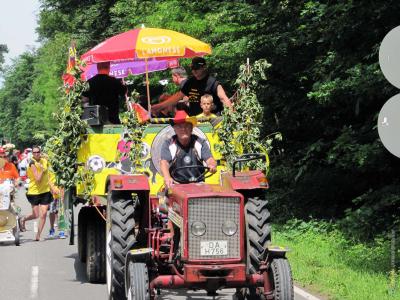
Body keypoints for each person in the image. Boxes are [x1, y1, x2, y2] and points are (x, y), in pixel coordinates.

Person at [152, 57, 233, 116]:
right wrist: (159, 106)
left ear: (204, 67)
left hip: (212, 120)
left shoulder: (212, 82)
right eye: (192, 68)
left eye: (196, 68)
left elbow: (224, 99)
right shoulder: (191, 82)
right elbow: (177, 97)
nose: (194, 70)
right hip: (196, 120)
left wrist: (232, 117)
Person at [160, 110, 217, 188]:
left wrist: (212, 165)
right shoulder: (168, 144)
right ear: (175, 129)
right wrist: (167, 177)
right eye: (180, 127)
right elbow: (164, 162)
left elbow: (209, 159)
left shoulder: (200, 142)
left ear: (191, 128)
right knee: (164, 199)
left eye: (186, 126)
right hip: (176, 184)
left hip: (198, 184)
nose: (183, 129)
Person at [20, 146, 52, 241]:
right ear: (32, 154)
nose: (36, 154)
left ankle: (38, 235)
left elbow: (48, 173)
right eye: (34, 152)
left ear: (40, 152)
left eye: (38, 152)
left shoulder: (44, 161)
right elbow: (38, 179)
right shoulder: (32, 163)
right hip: (34, 192)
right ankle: (23, 219)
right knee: (36, 215)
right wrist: (41, 170)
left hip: (45, 191)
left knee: (44, 213)